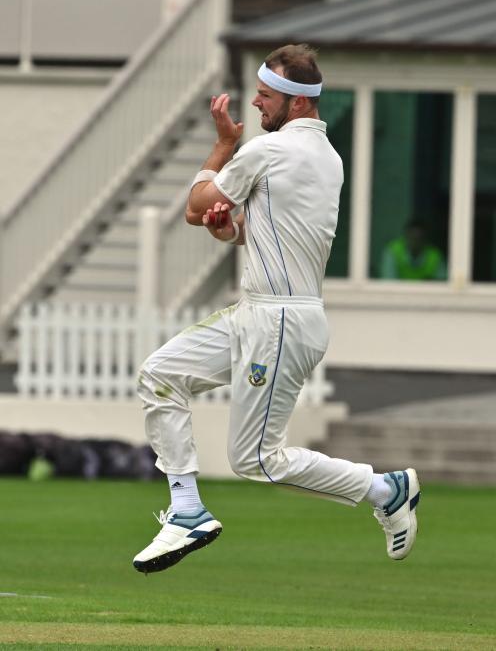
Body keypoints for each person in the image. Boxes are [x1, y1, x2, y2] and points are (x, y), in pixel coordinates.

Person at [133, 44, 420, 574]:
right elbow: (272, 233)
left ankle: (387, 488)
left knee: (257, 460)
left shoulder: (271, 152)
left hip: (280, 320)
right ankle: (187, 509)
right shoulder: (326, 156)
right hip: (264, 312)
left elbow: (194, 207)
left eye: (266, 96)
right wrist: (231, 229)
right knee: (160, 376)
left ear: (297, 101)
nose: (257, 105)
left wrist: (222, 146)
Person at [380, 219, 446, 280]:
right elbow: (388, 280)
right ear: (405, 236)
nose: (415, 242)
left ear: (425, 240)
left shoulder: (434, 256)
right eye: (412, 238)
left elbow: (442, 282)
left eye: (419, 238)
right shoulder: (393, 250)